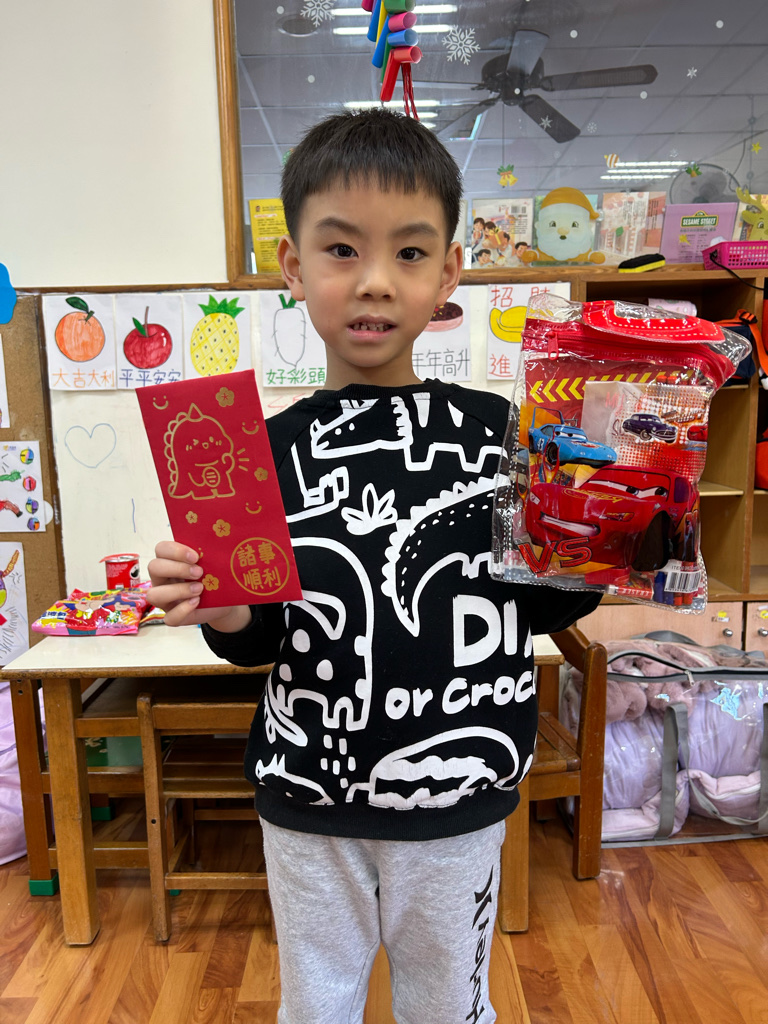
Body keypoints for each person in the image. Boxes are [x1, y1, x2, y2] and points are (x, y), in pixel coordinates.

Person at [148, 108, 600, 1024]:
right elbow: (261, 637)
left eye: (410, 252)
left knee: (449, 1007)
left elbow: (548, 606)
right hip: (308, 799)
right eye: (342, 249)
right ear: (293, 267)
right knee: (316, 1007)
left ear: (449, 274)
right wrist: (220, 607)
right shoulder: (254, 455)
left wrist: (603, 535)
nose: (376, 281)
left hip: (460, 800)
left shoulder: (503, 435)